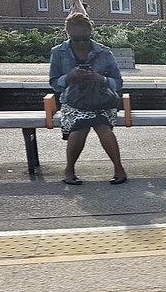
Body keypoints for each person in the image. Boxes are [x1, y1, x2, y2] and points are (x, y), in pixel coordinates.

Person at [49, 13, 127, 185]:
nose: (82, 43)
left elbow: (118, 82)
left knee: (103, 126)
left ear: (91, 33)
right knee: (79, 127)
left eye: (85, 38)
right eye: (76, 39)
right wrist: (69, 77)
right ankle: (69, 169)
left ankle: (119, 168)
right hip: (73, 101)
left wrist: (101, 79)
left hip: (102, 100)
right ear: (68, 34)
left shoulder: (104, 52)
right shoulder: (58, 53)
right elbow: (54, 83)